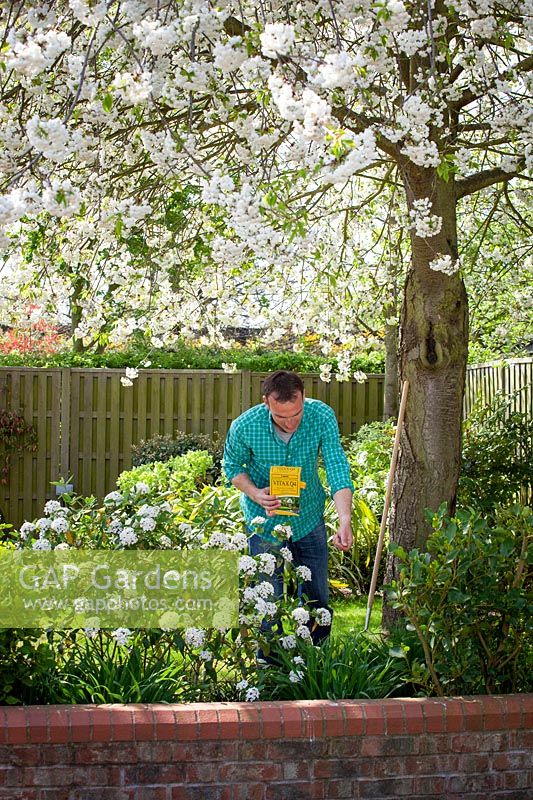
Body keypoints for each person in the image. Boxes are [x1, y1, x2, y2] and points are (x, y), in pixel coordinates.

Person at [223, 369, 353, 646]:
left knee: (317, 599)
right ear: (265, 402)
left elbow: (336, 466)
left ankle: (315, 662)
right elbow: (231, 467)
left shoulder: (321, 416)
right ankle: (270, 670)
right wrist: (256, 493)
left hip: (308, 519)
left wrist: (344, 519)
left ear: (304, 397)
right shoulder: (245, 426)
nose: (291, 422)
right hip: (264, 523)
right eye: (282, 417)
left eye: (296, 413)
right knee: (267, 601)